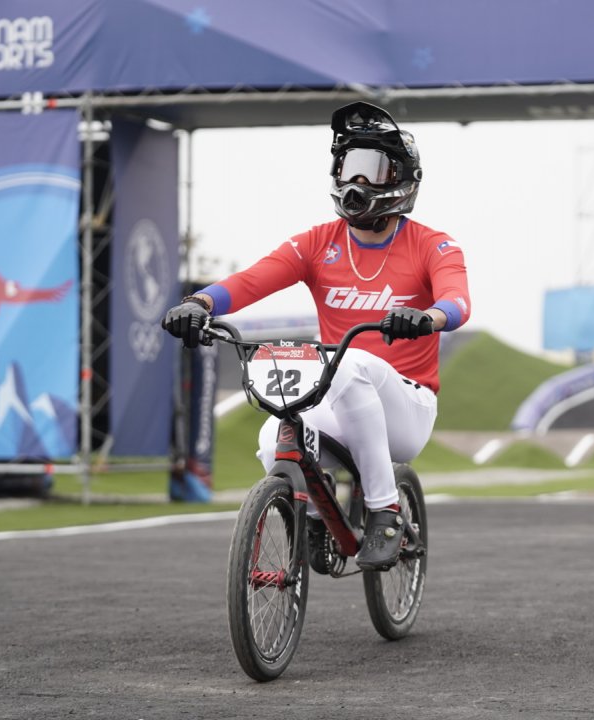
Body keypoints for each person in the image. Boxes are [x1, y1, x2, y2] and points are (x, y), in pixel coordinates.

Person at [162, 102, 470, 572]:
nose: (357, 182)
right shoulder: (317, 242)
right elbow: (251, 280)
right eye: (349, 167)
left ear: (402, 179)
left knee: (348, 364)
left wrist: (429, 318)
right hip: (338, 395)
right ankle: (313, 518)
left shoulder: (433, 245)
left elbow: (458, 301)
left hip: (406, 409)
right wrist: (199, 304)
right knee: (273, 436)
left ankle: (385, 510)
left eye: (373, 170)